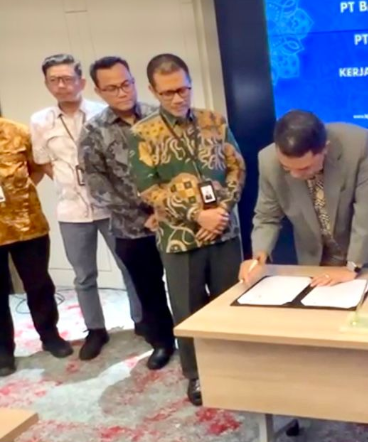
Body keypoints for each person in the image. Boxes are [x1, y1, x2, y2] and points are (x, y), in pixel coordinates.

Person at [129, 53, 246, 406]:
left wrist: (222, 210)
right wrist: (197, 215)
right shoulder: (142, 133)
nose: (178, 98)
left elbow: (236, 168)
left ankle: (235, 367)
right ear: (153, 91)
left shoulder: (214, 120)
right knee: (188, 309)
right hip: (179, 238)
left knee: (230, 303)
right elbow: (147, 188)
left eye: (183, 89)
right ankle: (197, 374)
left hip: (224, 231)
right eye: (168, 92)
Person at [30, 54, 142, 361]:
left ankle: (141, 320)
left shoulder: (103, 113)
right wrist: (69, 183)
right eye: (54, 80)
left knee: (128, 266)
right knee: (84, 275)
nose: (62, 85)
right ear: (47, 84)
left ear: (81, 82)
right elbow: (43, 162)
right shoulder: (40, 121)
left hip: (112, 207)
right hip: (71, 210)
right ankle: (95, 329)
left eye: (68, 79)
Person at [78, 56, 175, 371]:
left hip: (175, 220)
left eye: (126, 84)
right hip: (131, 228)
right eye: (112, 88)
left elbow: (180, 166)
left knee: (186, 286)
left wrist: (166, 208)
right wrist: (142, 214)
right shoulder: (93, 131)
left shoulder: (161, 115)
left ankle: (196, 340)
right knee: (148, 289)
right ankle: (162, 342)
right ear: (98, 91)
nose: (122, 92)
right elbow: (98, 186)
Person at [239, 110, 368, 286]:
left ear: (325, 149)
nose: (295, 175)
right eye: (287, 168)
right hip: (318, 256)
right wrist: (259, 255)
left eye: (304, 168)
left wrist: (352, 267)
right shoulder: (268, 160)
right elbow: (267, 216)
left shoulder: (358, 144)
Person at [0, 116, 74, 376]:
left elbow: (38, 168)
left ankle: (49, 335)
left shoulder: (18, 132)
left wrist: (20, 194)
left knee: (39, 284)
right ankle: (3, 350)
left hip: (27, 224)